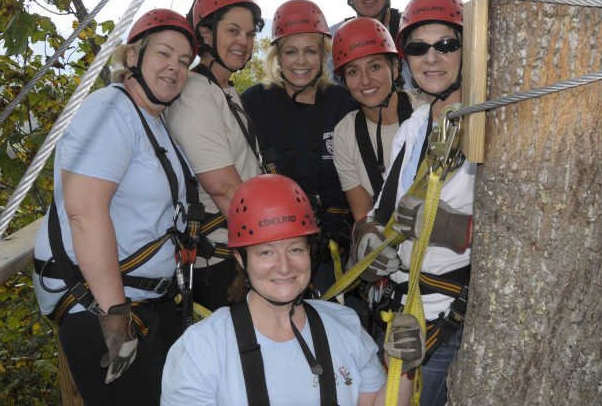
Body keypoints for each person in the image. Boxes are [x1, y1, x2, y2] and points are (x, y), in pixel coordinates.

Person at [32, 9, 197, 404]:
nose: (174, 67)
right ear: (132, 57)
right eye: (164, 53)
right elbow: (84, 212)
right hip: (102, 307)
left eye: (184, 61)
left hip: (140, 299)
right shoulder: (110, 110)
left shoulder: (151, 119)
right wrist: (113, 313)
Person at [161, 174, 425, 406]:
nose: (284, 267)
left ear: (310, 251)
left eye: (295, 249)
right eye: (266, 253)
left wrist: (402, 369)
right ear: (241, 259)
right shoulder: (202, 349)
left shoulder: (345, 327)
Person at [351, 0, 475, 406]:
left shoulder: (487, 129)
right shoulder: (412, 128)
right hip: (400, 308)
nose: (432, 58)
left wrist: (445, 226)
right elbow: (379, 213)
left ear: (466, 50)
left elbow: (516, 233)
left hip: (448, 315)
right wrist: (368, 243)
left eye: (446, 45)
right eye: (419, 48)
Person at [241, 0, 355, 295]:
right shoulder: (255, 103)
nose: (300, 61)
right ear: (278, 56)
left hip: (334, 246)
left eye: (310, 51)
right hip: (276, 245)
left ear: (322, 55)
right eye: (291, 51)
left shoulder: (342, 102)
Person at [165, 0, 266, 311]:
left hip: (238, 245)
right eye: (233, 31)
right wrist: (269, 247)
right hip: (225, 256)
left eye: (250, 35)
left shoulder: (223, 90)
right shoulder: (195, 93)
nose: (244, 42)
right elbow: (222, 187)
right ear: (206, 34)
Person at [331, 17, 429, 221]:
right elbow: (364, 217)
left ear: (394, 70)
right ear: (345, 82)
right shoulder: (345, 133)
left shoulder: (426, 108)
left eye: (374, 67)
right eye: (353, 72)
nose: (365, 80)